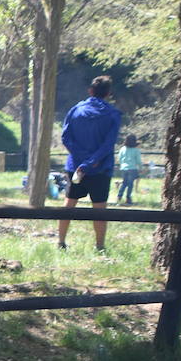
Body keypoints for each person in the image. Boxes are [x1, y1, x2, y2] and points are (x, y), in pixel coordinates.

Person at [58, 76, 122, 251]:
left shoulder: (75, 110)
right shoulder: (113, 115)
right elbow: (109, 144)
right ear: (108, 93)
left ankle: (61, 242)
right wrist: (91, 162)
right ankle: (100, 246)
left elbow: (65, 137)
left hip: (75, 167)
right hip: (100, 168)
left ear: (90, 91)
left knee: (69, 204)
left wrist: (81, 160)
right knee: (99, 208)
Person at [116, 134, 142, 205]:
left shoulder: (122, 149)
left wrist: (122, 165)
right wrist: (141, 168)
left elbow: (120, 158)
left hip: (124, 168)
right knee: (130, 184)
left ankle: (119, 196)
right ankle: (128, 198)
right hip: (132, 168)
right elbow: (138, 160)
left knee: (124, 183)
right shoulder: (136, 150)